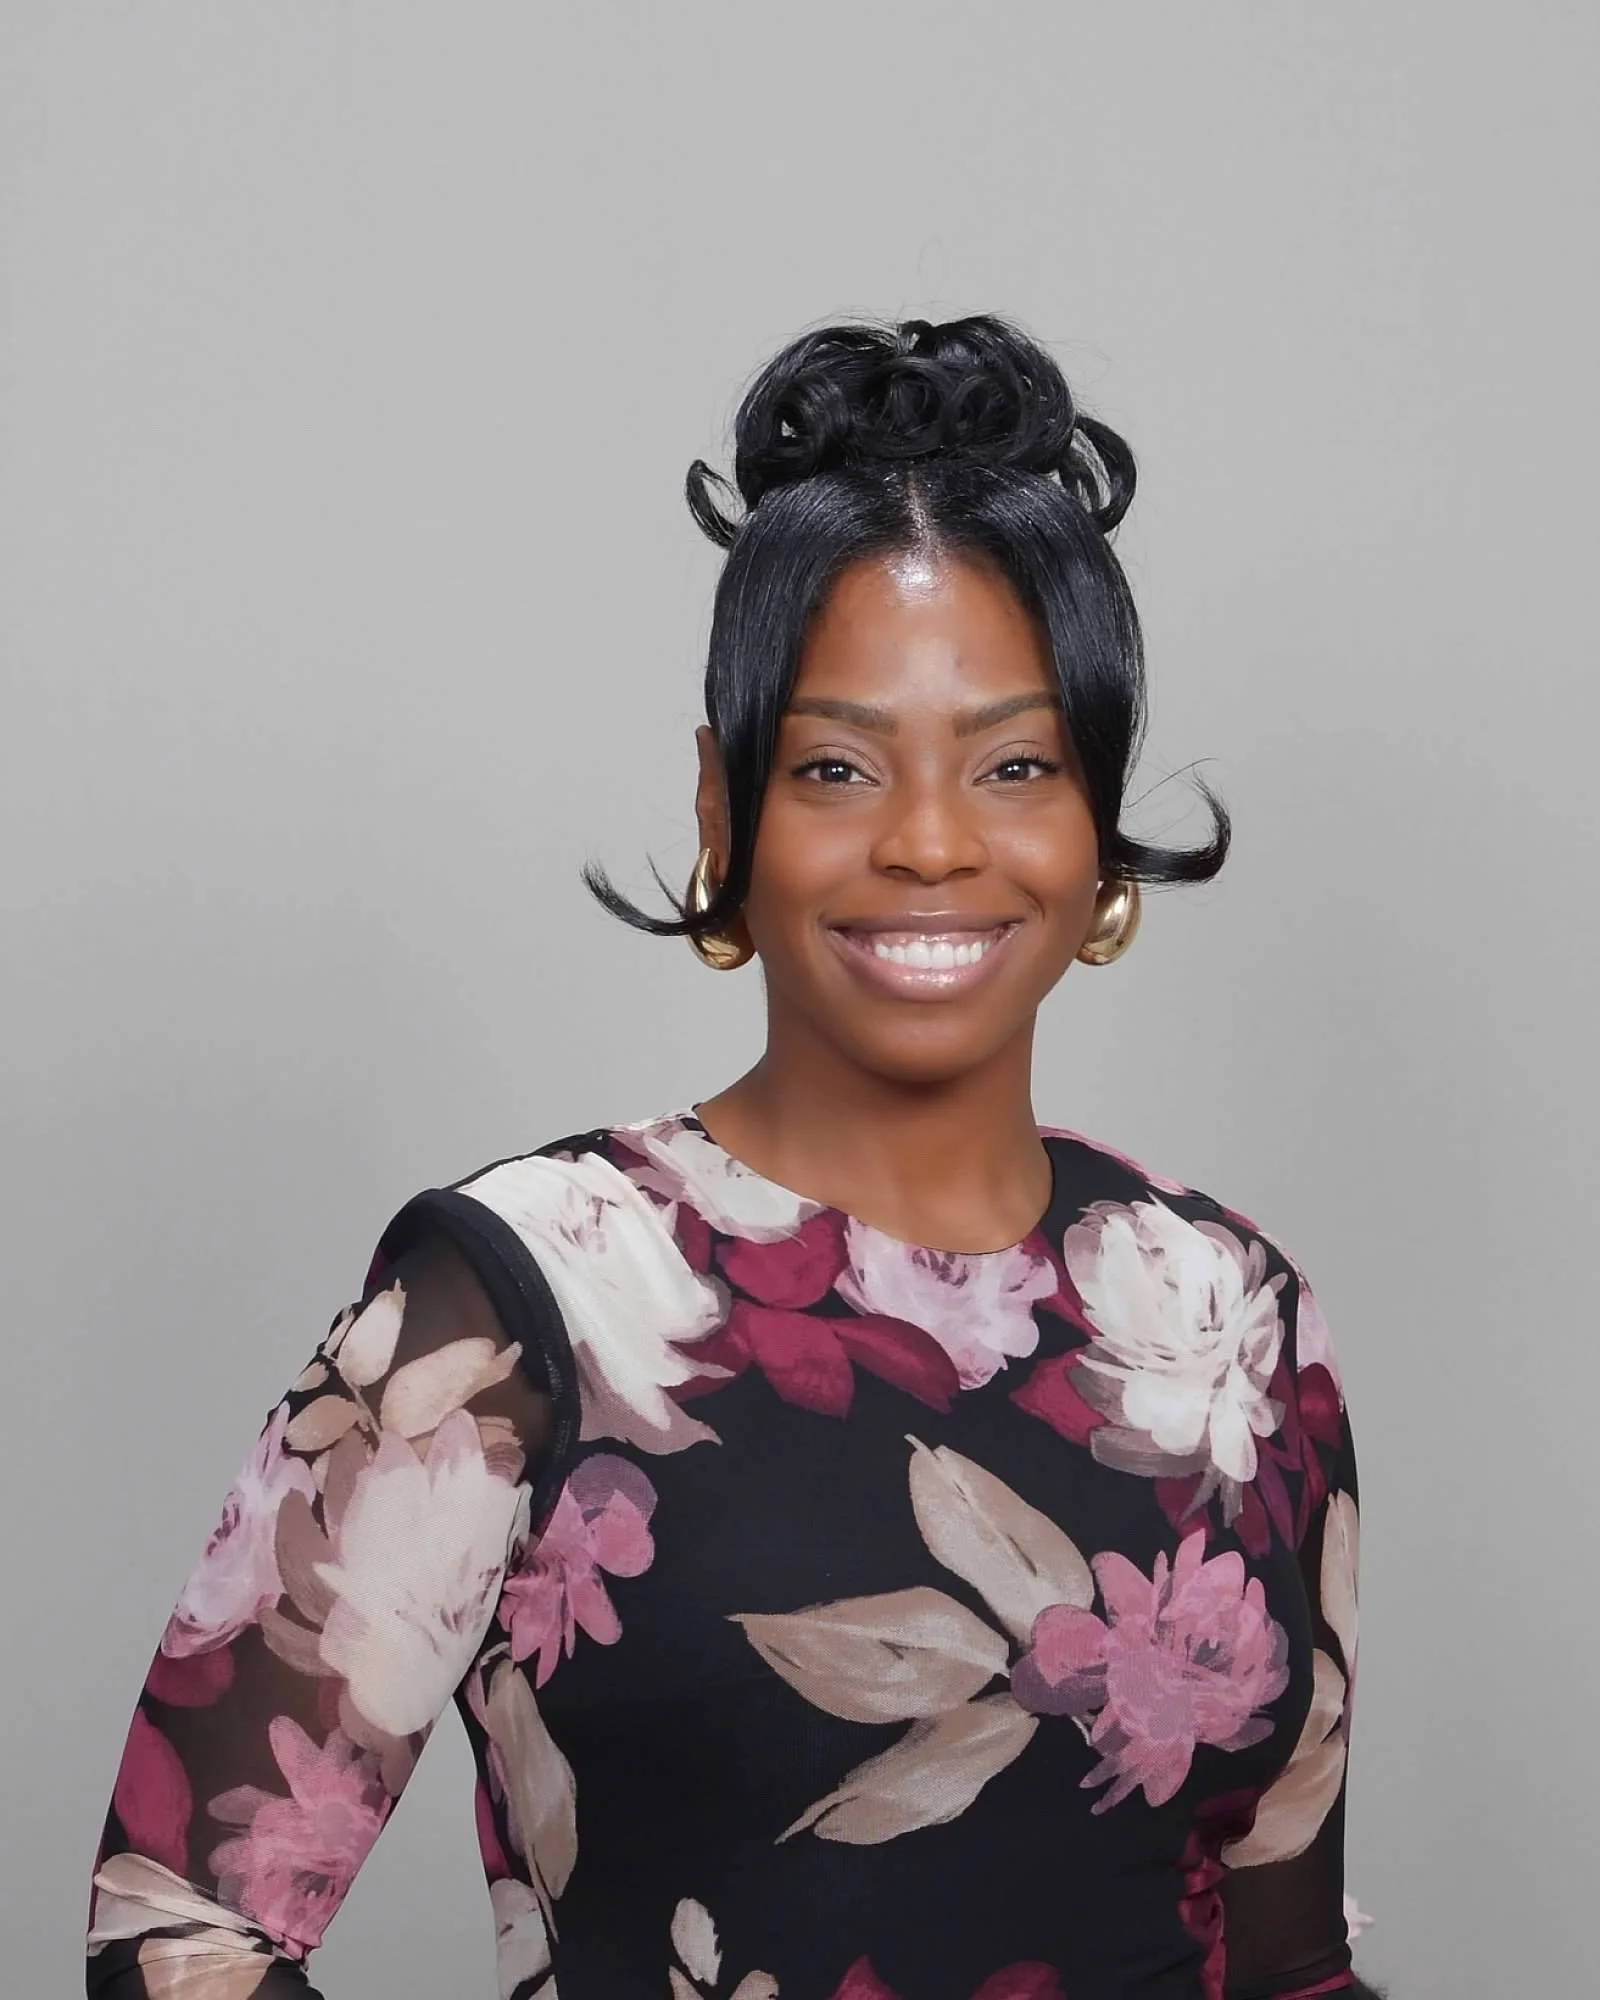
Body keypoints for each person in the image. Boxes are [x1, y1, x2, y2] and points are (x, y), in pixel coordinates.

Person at [86, 315, 1381, 2000]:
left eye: (1014, 765)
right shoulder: (528, 1295)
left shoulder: (1236, 1321)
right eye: (838, 766)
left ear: (1094, 824)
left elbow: (1292, 1968)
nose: (929, 840)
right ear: (724, 815)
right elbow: (184, 1927)